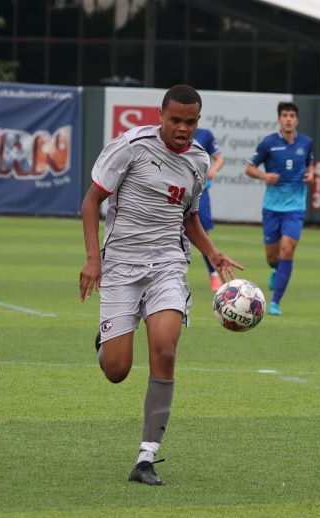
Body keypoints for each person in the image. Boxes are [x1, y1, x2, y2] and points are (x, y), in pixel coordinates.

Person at [79, 85, 243, 486]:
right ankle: (107, 342)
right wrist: (93, 260)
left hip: (168, 265)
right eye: (176, 120)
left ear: (198, 122)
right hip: (120, 266)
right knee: (117, 370)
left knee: (165, 349)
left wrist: (215, 254)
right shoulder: (130, 147)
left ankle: (146, 457)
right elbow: (90, 203)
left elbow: (189, 219)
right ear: (162, 116)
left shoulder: (199, 162)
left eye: (190, 122)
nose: (183, 128)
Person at [245, 101, 314, 317]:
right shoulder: (268, 143)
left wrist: (311, 174)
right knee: (273, 257)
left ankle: (275, 302)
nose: (289, 119)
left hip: (295, 207)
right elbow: (249, 168)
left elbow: (310, 163)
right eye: (285, 115)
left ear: (297, 120)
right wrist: (265, 176)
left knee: (288, 248)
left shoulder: (306, 142)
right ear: (279, 119)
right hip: (272, 207)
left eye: (292, 115)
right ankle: (276, 269)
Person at [192, 127, 225, 290]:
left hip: (200, 191)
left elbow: (219, 158)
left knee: (203, 232)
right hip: (175, 190)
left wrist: (214, 169)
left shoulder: (205, 135)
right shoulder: (170, 134)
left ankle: (213, 274)